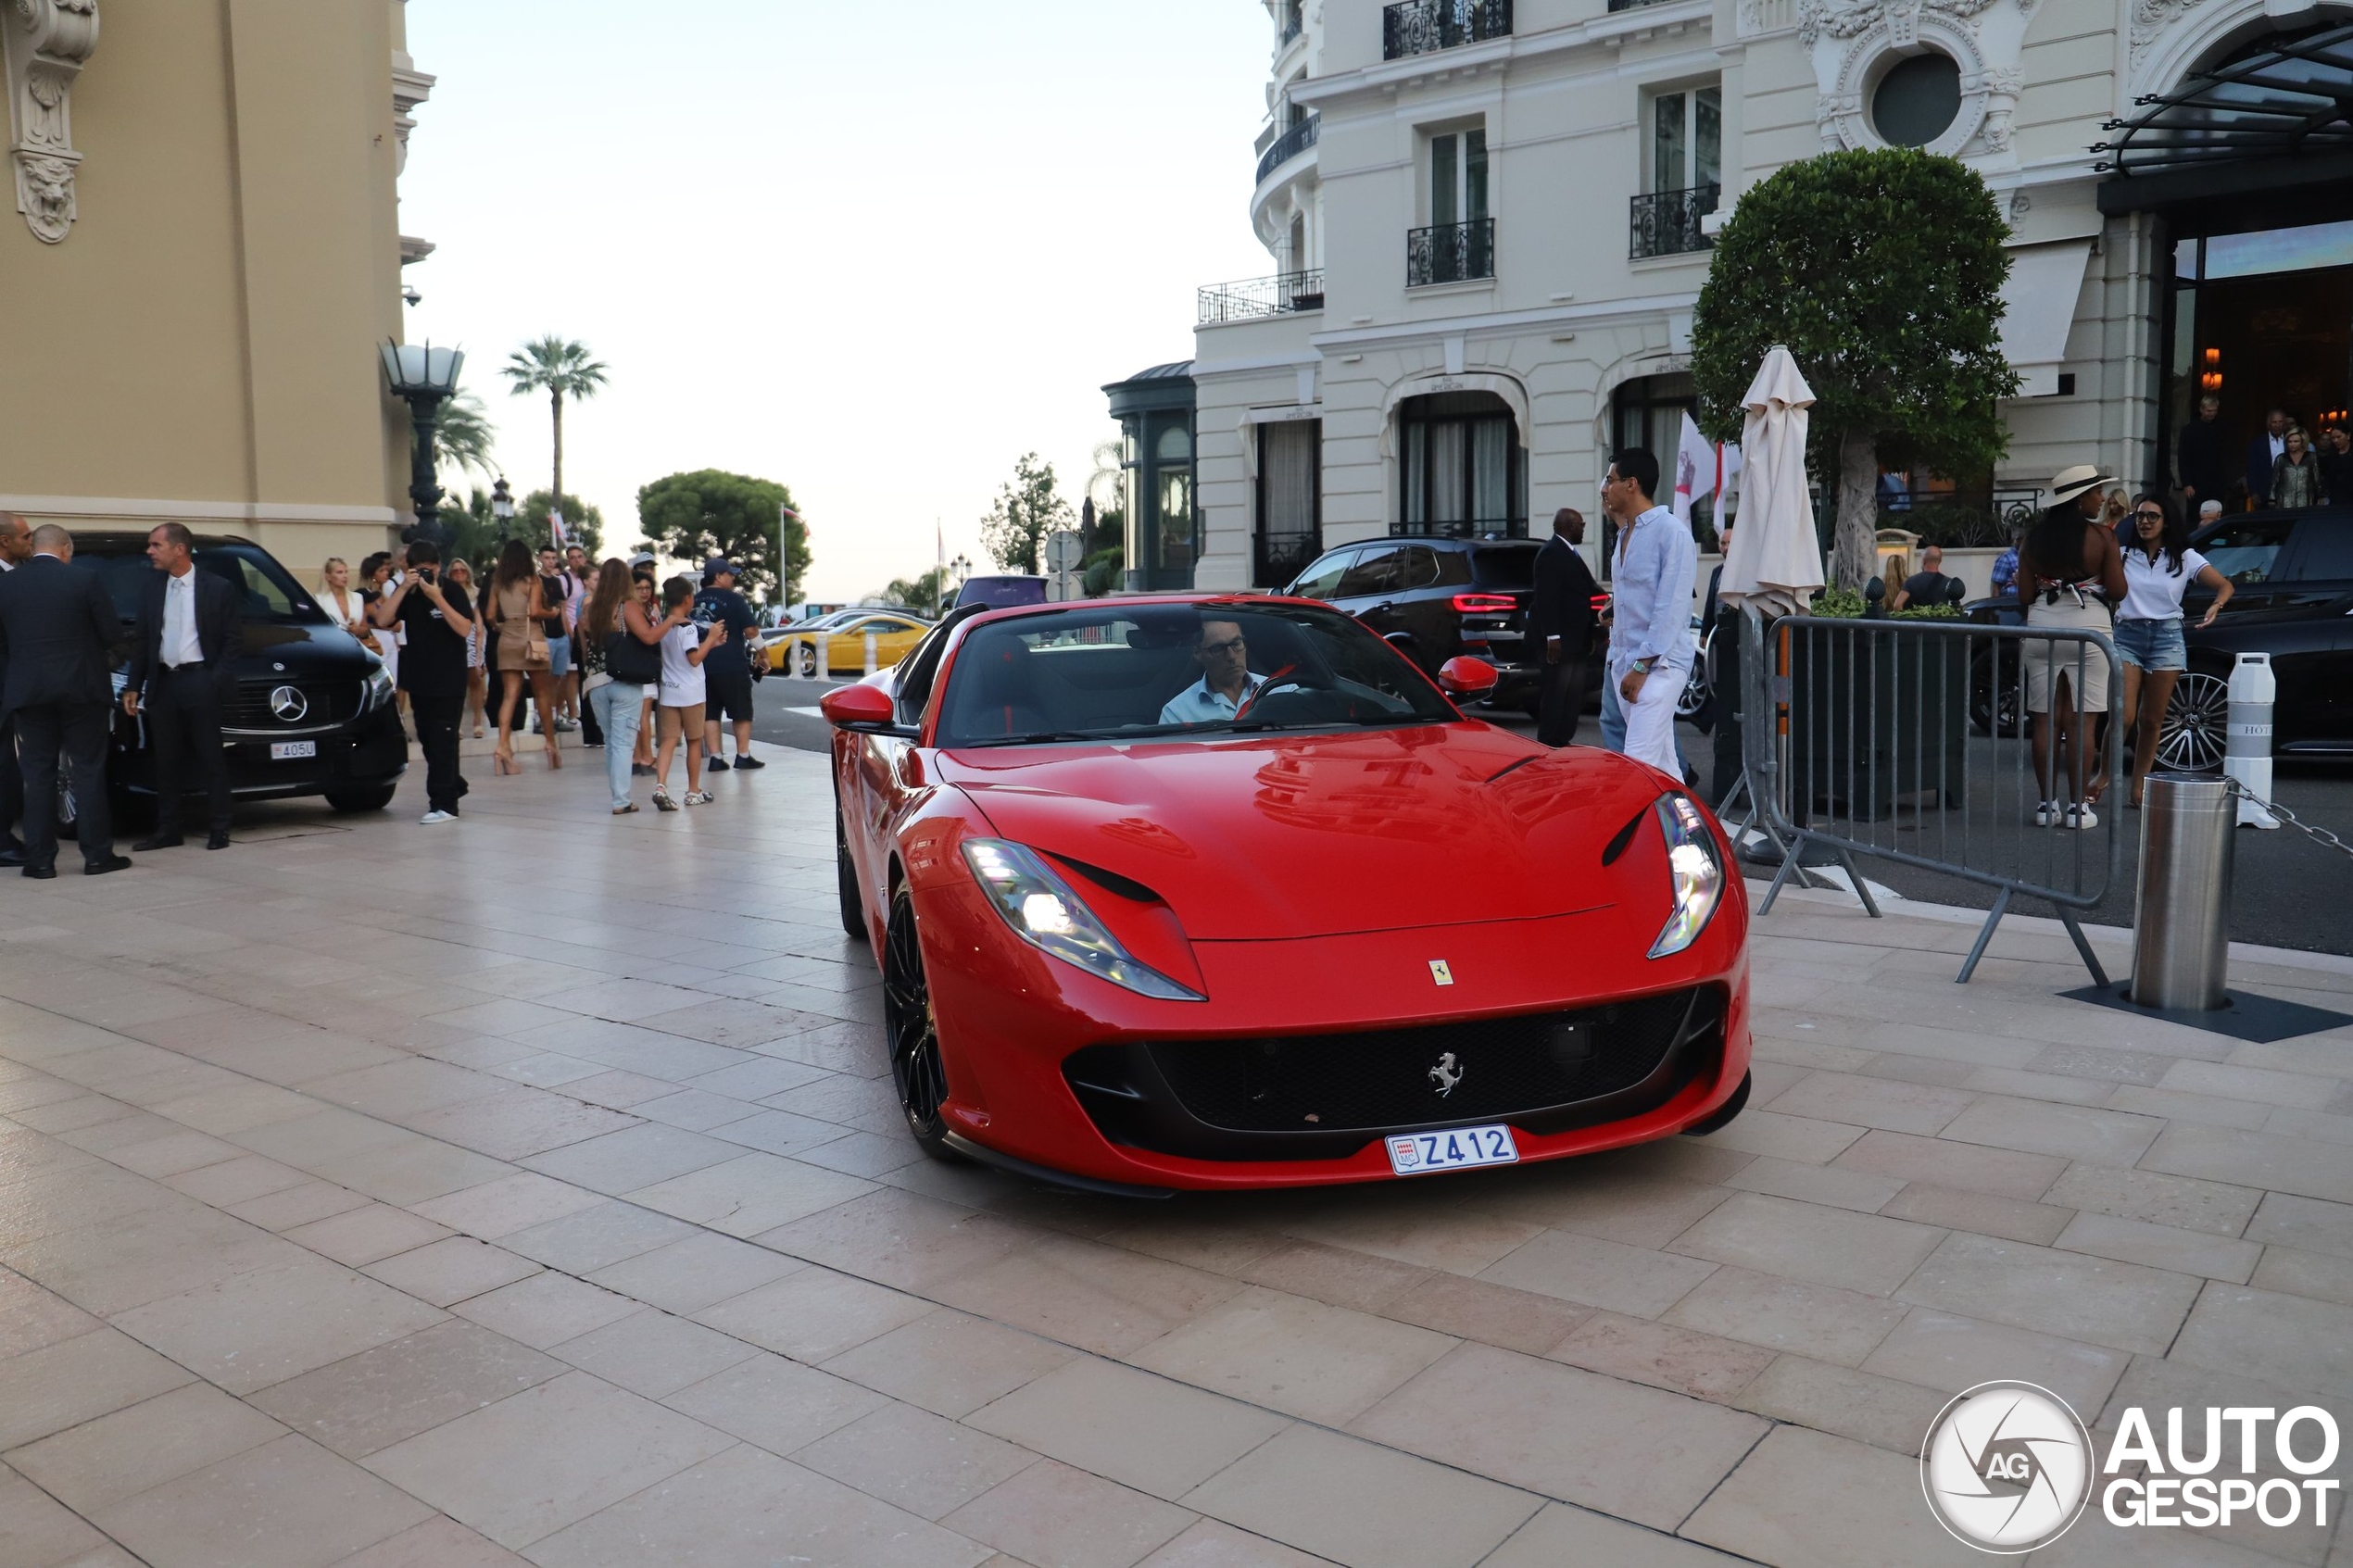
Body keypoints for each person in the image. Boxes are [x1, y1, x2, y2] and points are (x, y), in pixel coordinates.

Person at [0, 521, 130, 876]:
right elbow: (112, 636)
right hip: (82, 691)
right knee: (87, 770)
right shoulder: (85, 580)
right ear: (65, 550)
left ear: (36, 547)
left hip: (29, 692)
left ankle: (40, 861)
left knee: (38, 775)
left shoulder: (6, 585)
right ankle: (97, 856)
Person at [2017, 466, 2127, 830]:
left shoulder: (2033, 540)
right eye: (2097, 493)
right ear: (2080, 498)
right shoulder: (2103, 537)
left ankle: (2047, 806)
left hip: (2042, 625)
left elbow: (2025, 595)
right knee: (2083, 721)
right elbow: (2118, 590)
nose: (2102, 499)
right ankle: (2078, 808)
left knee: (2045, 720)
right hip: (2090, 628)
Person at [124, 522, 241, 852]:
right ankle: (169, 828)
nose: (149, 551)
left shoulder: (217, 588)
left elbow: (233, 642)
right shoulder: (151, 588)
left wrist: (213, 680)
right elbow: (143, 639)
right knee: (166, 761)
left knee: (210, 758)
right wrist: (134, 685)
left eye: (155, 545)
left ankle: (220, 826)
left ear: (179, 549)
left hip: (199, 680)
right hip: (164, 683)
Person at [2115, 494, 2233, 809]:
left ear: (2166, 521)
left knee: (2152, 720)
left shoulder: (2185, 557)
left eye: (2153, 516)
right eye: (2140, 516)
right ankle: (2103, 775)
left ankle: (2139, 787)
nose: (2145, 522)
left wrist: (2215, 606)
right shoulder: (2123, 554)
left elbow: (2225, 586)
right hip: (2127, 634)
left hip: (2167, 637)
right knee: (2123, 716)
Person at [1601, 448, 1698, 779]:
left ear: (1631, 484)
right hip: (1626, 664)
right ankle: (1689, 830)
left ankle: (1627, 832)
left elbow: (1670, 608)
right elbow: (1636, 593)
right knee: (1664, 768)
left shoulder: (1672, 532)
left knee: (1636, 767)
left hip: (1660, 667)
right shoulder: (1626, 534)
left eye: (1610, 479)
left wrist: (1642, 667)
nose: (1604, 487)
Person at [370, 539, 472, 824]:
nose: (425, 576)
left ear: (438, 567)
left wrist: (437, 596)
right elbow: (382, 618)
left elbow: (465, 628)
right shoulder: (408, 593)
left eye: (429, 570)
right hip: (418, 678)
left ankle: (444, 804)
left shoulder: (451, 591)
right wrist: (403, 587)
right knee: (428, 739)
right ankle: (454, 784)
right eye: (418, 571)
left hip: (448, 680)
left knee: (443, 740)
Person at [581, 559, 677, 815]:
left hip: (595, 680)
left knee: (612, 742)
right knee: (624, 742)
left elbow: (584, 642)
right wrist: (671, 621)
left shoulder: (591, 608)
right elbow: (648, 636)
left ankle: (618, 796)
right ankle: (621, 800)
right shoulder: (627, 605)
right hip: (624, 678)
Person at [653, 575, 727, 809]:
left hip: (669, 691)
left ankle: (660, 785)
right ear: (687, 599)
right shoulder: (688, 628)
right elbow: (694, 659)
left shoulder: (664, 627)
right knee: (694, 741)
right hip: (691, 693)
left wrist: (712, 645)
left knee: (668, 741)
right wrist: (712, 637)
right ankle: (693, 790)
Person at [487, 538, 560, 774]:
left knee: (509, 696)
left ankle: (503, 747)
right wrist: (553, 613)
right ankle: (550, 745)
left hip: (507, 638)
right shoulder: (532, 581)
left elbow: (489, 615)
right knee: (542, 694)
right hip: (532, 638)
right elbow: (535, 611)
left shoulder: (498, 583)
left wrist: (501, 627)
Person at [1529, 508, 1598, 747]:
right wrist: (1552, 637)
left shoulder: (1571, 554)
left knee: (1572, 695)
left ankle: (1563, 739)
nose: (1583, 527)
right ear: (1569, 526)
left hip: (1576, 640)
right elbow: (1546, 598)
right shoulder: (1551, 553)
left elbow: (1588, 589)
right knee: (1557, 693)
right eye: (1581, 523)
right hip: (1559, 641)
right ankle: (1549, 741)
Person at [692, 557, 762, 770]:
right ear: (719, 576)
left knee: (711, 711)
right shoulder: (734, 600)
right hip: (732, 663)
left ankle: (715, 757)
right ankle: (743, 755)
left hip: (702, 662)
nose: (732, 578)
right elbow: (751, 631)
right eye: (730, 574)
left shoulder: (693, 600)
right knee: (741, 710)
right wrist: (764, 654)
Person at [0, 509, 34, 866]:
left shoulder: (20, 574)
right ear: (4, 541)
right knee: (4, 766)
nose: (31, 542)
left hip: (14, 685)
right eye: (26, 537)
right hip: (4, 687)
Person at [1159, 617, 1264, 724]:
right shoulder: (1177, 713)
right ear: (1197, 653)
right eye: (1218, 649)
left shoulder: (1277, 691)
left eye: (1236, 643)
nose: (1231, 656)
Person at [563, 545, 602, 747]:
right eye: (596, 579)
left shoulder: (586, 599)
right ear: (586, 581)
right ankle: (594, 733)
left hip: (584, 646)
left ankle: (592, 734)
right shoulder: (587, 601)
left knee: (587, 688)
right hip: (587, 646)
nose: (600, 582)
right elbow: (585, 627)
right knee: (590, 689)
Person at [535, 546, 577, 734]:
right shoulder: (535, 581)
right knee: (542, 678)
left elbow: (563, 608)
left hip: (560, 635)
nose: (550, 561)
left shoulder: (557, 581)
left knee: (558, 677)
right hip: (544, 634)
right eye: (547, 558)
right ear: (540, 559)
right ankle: (539, 717)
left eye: (553, 558)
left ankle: (553, 714)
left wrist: (568, 632)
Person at [447, 557, 489, 737]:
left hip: (473, 638)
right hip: (453, 638)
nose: (459, 573)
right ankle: (456, 724)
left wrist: (480, 652)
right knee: (456, 685)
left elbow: (480, 624)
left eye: (462, 570)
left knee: (475, 681)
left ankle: (478, 721)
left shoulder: (477, 594)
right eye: (455, 570)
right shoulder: (446, 594)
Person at [2175, 395, 2230, 515]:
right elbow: (2183, 459)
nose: (2212, 414)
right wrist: (2187, 483)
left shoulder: (2220, 429)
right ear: (2201, 409)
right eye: (2209, 411)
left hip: (2216, 483)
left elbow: (2223, 457)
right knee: (2196, 516)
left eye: (2214, 411)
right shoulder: (2189, 430)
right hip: (2196, 484)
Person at [630, 567, 661, 777]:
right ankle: (647, 756)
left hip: (635, 667)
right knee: (644, 712)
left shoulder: (642, 609)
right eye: (639, 588)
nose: (644, 591)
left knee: (637, 713)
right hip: (641, 666)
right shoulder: (636, 611)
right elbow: (649, 636)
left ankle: (637, 756)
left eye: (647, 587)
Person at [317, 558, 379, 658]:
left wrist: (358, 630)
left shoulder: (357, 598)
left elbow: (365, 627)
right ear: (328, 576)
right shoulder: (320, 600)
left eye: (346, 572)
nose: (345, 576)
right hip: (331, 650)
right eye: (339, 572)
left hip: (355, 649)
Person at [1890, 545, 1960, 612]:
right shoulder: (1949, 583)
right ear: (1940, 561)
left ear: (1924, 561)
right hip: (1940, 623)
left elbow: (1897, 605)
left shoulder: (1911, 581)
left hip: (1918, 623)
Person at [2269, 426, 2324, 508]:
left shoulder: (2311, 457)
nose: (2292, 444)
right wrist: (2272, 499)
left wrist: (2320, 496)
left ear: (2302, 442)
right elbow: (2275, 480)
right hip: (2284, 501)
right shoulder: (2281, 458)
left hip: (2306, 499)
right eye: (2290, 442)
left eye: (2296, 441)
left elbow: (2316, 478)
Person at [2245, 408, 2290, 504]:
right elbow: (2252, 469)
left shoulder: (2290, 441)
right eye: (2274, 422)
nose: (2277, 425)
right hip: (2264, 492)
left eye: (2280, 422)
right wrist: (2254, 492)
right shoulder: (2257, 443)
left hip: (2286, 491)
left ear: (2285, 424)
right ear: (2269, 424)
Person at [2318, 424, 2353, 504]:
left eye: (2339, 437)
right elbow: (2326, 477)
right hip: (2336, 497)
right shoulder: (2331, 454)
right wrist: (2323, 495)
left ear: (2348, 435)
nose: (2336, 440)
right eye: (2333, 438)